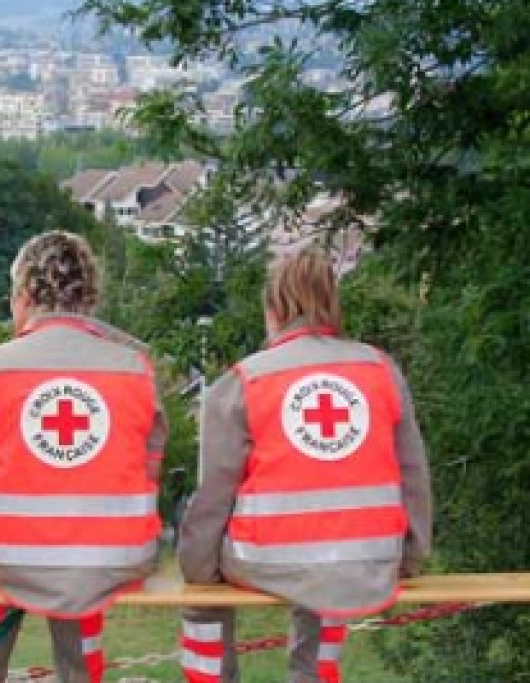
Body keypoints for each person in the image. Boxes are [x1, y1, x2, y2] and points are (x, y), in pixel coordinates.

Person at [177, 247, 432, 683]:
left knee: (203, 598)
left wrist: (197, 570)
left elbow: (214, 495)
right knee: (330, 579)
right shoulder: (380, 369)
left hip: (265, 560)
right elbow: (413, 475)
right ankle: (312, 676)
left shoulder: (244, 381)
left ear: (273, 308)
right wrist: (409, 555)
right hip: (368, 556)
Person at [0, 231, 167, 682]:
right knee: (81, 572)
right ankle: (82, 669)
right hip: (110, 559)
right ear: (90, 297)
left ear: (25, 295)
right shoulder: (136, 368)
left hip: (2, 558)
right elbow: (150, 467)